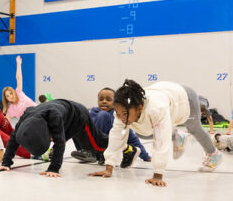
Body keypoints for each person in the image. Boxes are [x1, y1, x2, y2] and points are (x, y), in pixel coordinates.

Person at [89, 80, 223, 187]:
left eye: (124, 114)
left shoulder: (156, 109)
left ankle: (214, 155)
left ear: (140, 108)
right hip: (165, 93)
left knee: (194, 128)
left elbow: (160, 142)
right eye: (118, 113)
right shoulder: (121, 113)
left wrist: (158, 174)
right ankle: (176, 136)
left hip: (184, 98)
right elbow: (116, 137)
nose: (121, 117)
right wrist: (109, 167)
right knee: (142, 132)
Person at [0, 99, 138, 177]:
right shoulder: (26, 118)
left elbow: (60, 141)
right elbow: (13, 139)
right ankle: (125, 148)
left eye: (49, 139)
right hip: (64, 114)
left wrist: (54, 168)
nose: (51, 140)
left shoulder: (53, 117)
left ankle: (128, 149)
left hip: (77, 115)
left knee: (96, 146)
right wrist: (6, 163)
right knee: (89, 143)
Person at [71, 87, 151, 163]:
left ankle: (98, 154)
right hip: (89, 145)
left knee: (103, 115)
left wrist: (145, 156)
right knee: (77, 120)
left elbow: (132, 138)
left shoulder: (118, 116)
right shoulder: (92, 112)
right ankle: (84, 152)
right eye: (101, 99)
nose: (104, 101)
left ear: (115, 102)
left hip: (104, 148)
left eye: (108, 100)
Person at [1, 56, 37, 121]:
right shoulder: (11, 109)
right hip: (30, 122)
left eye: (11, 93)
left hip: (38, 111)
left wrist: (18, 64)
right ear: (6, 99)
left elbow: (19, 78)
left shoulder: (18, 92)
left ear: (14, 92)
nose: (10, 96)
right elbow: (6, 123)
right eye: (7, 96)